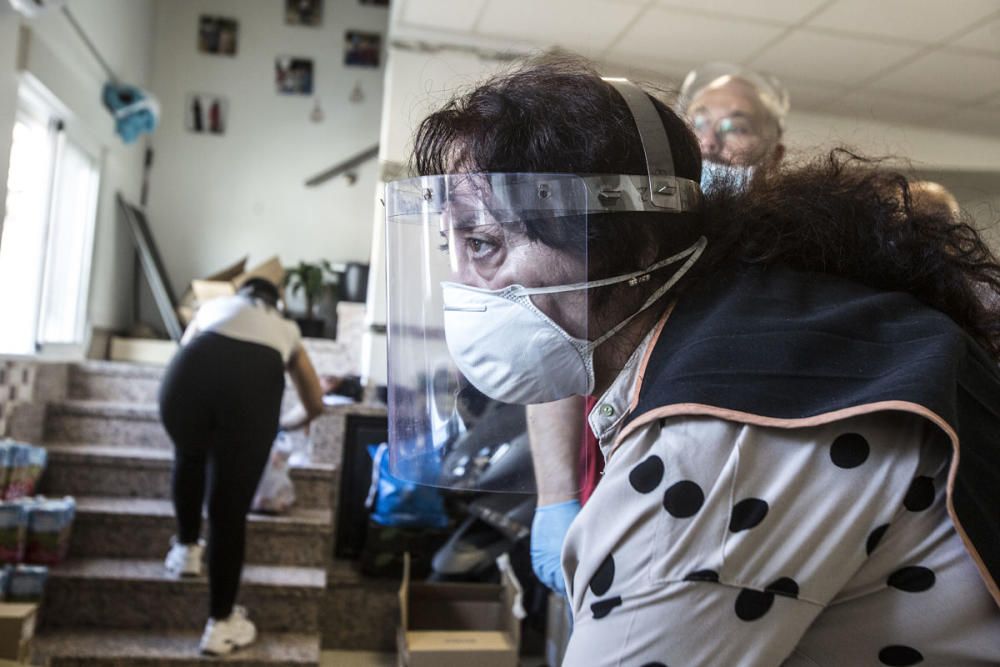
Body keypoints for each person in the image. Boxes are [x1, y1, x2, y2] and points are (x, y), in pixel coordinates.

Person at [388, 55, 1000, 664]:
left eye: (484, 244)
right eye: (452, 246)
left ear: (634, 245)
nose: (461, 286)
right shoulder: (762, 311)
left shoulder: (714, 447)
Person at [528, 62, 791, 597]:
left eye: (736, 127)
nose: (712, 143)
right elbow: (558, 342)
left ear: (776, 153)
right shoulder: (643, 234)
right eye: (700, 123)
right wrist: (555, 500)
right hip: (608, 492)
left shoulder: (790, 260)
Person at [158, 277, 324, 656]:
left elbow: (186, 353)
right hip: (250, 404)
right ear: (277, 302)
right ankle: (220, 625)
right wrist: (283, 424)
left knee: (189, 454)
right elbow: (314, 402)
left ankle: (186, 550)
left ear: (241, 294)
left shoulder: (213, 309)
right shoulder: (287, 330)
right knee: (227, 513)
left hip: (182, 388)